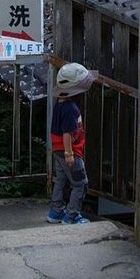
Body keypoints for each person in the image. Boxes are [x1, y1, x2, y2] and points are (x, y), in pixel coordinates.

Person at [47, 62, 97, 225]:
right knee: (80, 183)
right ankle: (72, 215)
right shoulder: (71, 108)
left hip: (58, 149)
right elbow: (67, 133)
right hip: (70, 152)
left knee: (61, 179)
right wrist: (70, 154)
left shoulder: (60, 104)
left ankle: (55, 211)